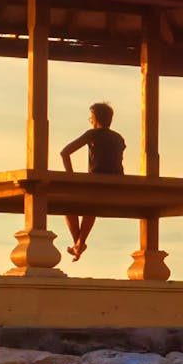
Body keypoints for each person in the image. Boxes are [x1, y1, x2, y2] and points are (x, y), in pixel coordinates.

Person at [59, 101, 125, 261]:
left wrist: (70, 177)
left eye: (91, 117)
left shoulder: (92, 134)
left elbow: (65, 152)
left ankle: (79, 242)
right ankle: (79, 244)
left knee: (69, 206)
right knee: (90, 205)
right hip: (118, 185)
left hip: (96, 183)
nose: (90, 120)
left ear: (95, 119)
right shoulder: (118, 138)